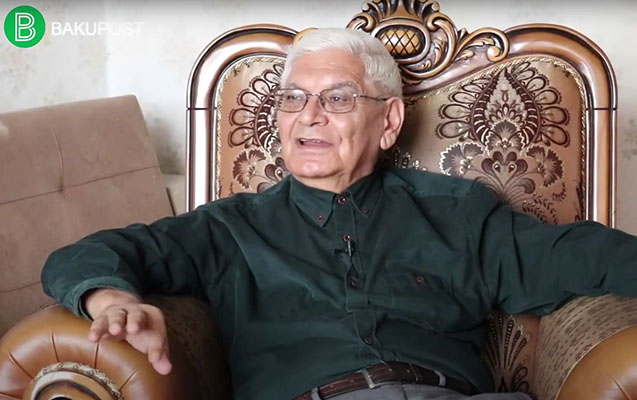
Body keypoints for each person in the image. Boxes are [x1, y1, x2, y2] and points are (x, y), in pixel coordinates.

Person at [42, 28, 637, 400]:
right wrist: (111, 300)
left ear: (389, 121)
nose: (309, 115)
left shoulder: (459, 214)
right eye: (293, 99)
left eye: (338, 98)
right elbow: (88, 255)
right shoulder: (228, 228)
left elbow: (588, 257)